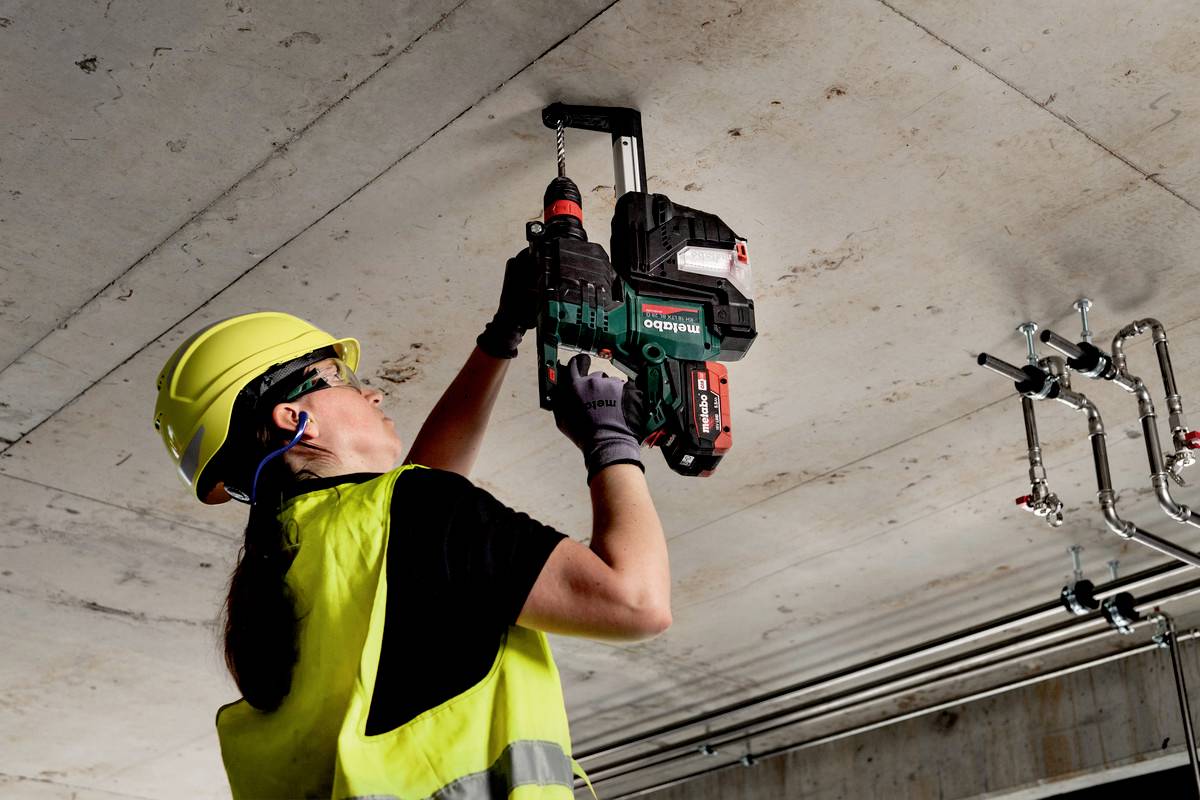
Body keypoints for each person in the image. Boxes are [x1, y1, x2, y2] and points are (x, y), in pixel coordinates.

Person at [152, 252, 671, 799]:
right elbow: (635, 602)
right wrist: (611, 440)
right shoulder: (409, 513)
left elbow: (425, 507)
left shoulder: (285, 564)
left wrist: (502, 334)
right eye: (341, 378)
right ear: (293, 419)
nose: (371, 392)